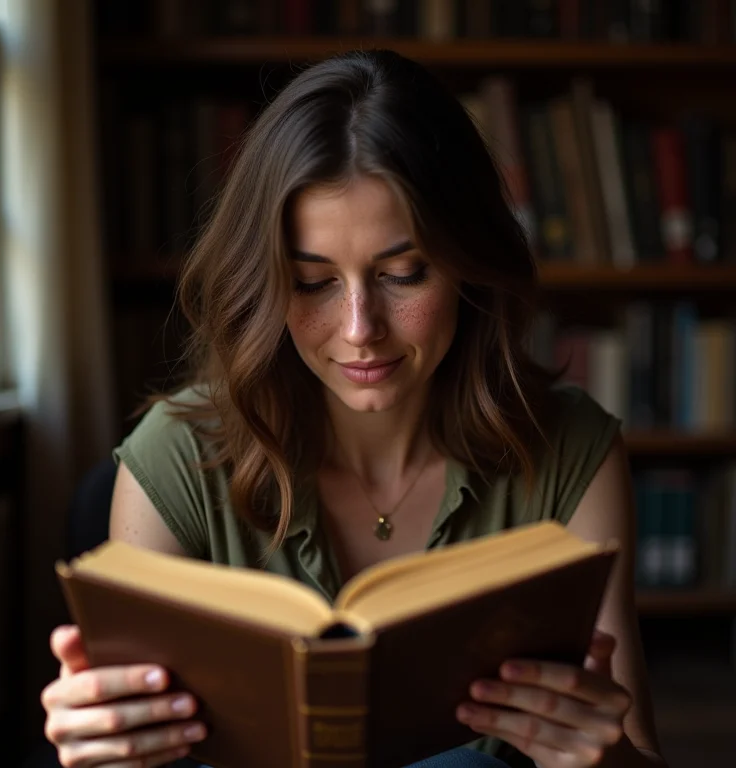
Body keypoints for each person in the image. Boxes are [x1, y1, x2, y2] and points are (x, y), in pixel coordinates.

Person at [41, 49, 668, 768]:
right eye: (312, 283)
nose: (360, 327)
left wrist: (604, 753)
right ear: (265, 285)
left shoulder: (570, 450)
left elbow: (639, 753)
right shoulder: (175, 457)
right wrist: (105, 750)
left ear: (469, 263)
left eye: (403, 274)